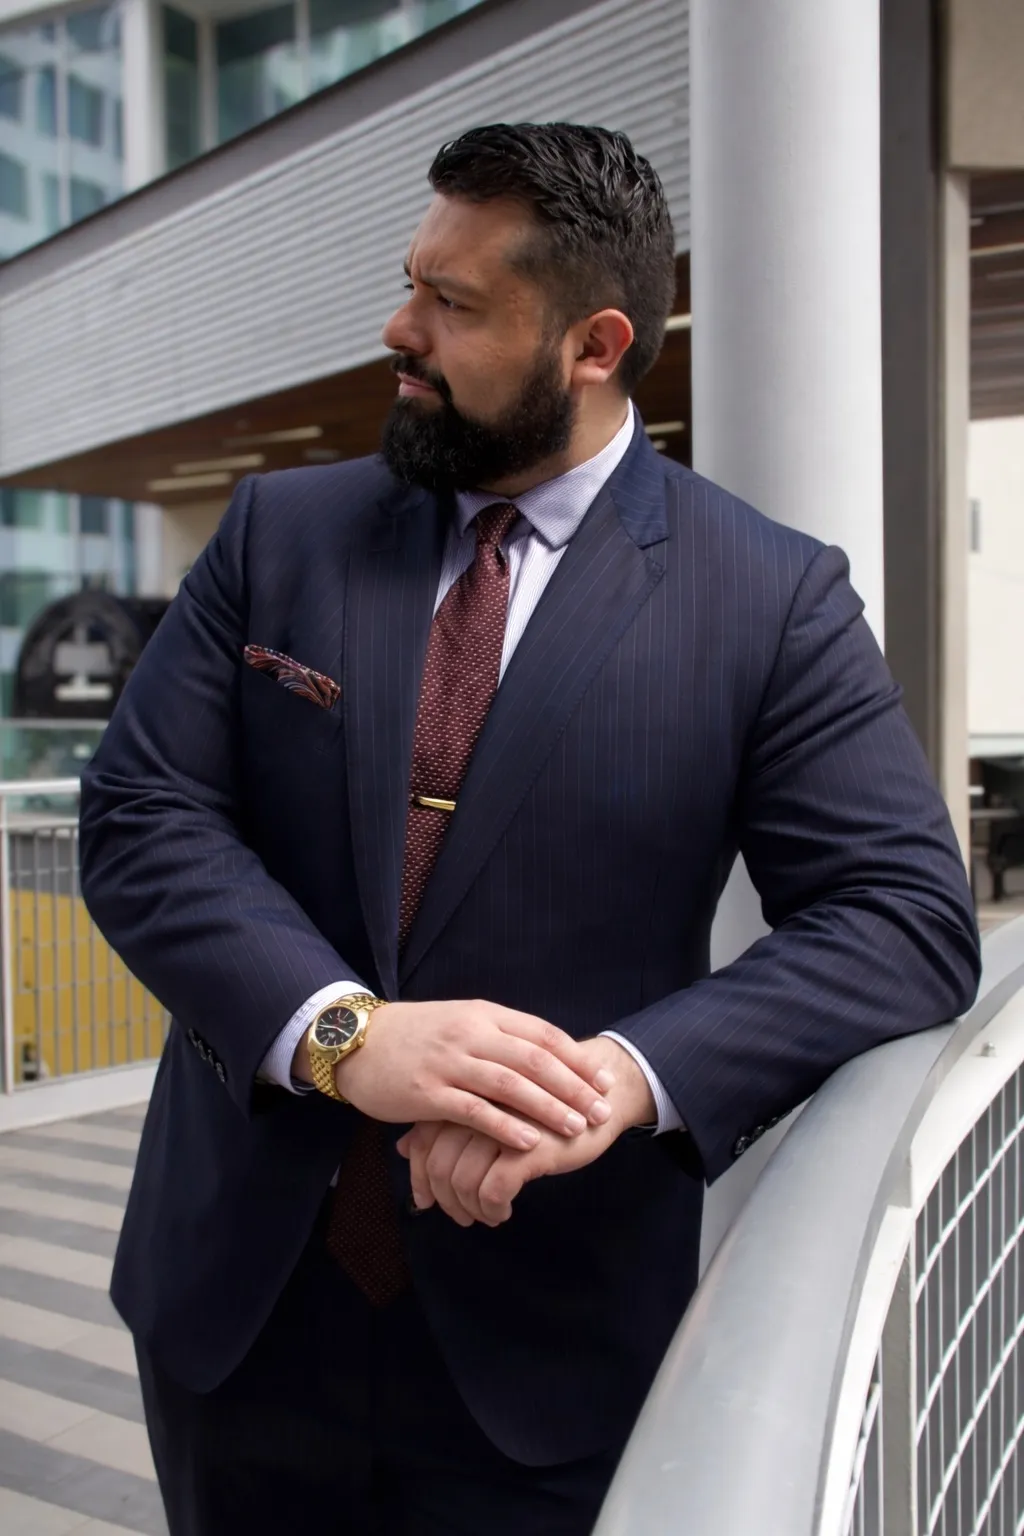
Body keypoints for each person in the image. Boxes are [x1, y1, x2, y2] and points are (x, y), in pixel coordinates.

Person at [79, 122, 981, 1536]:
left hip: (548, 1337)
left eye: (453, 304)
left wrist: (618, 1078)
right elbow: (145, 814)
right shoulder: (276, 533)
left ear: (595, 344)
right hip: (241, 1310)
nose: (401, 329)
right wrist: (345, 1035)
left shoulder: (770, 599)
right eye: (410, 282)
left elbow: (905, 917)